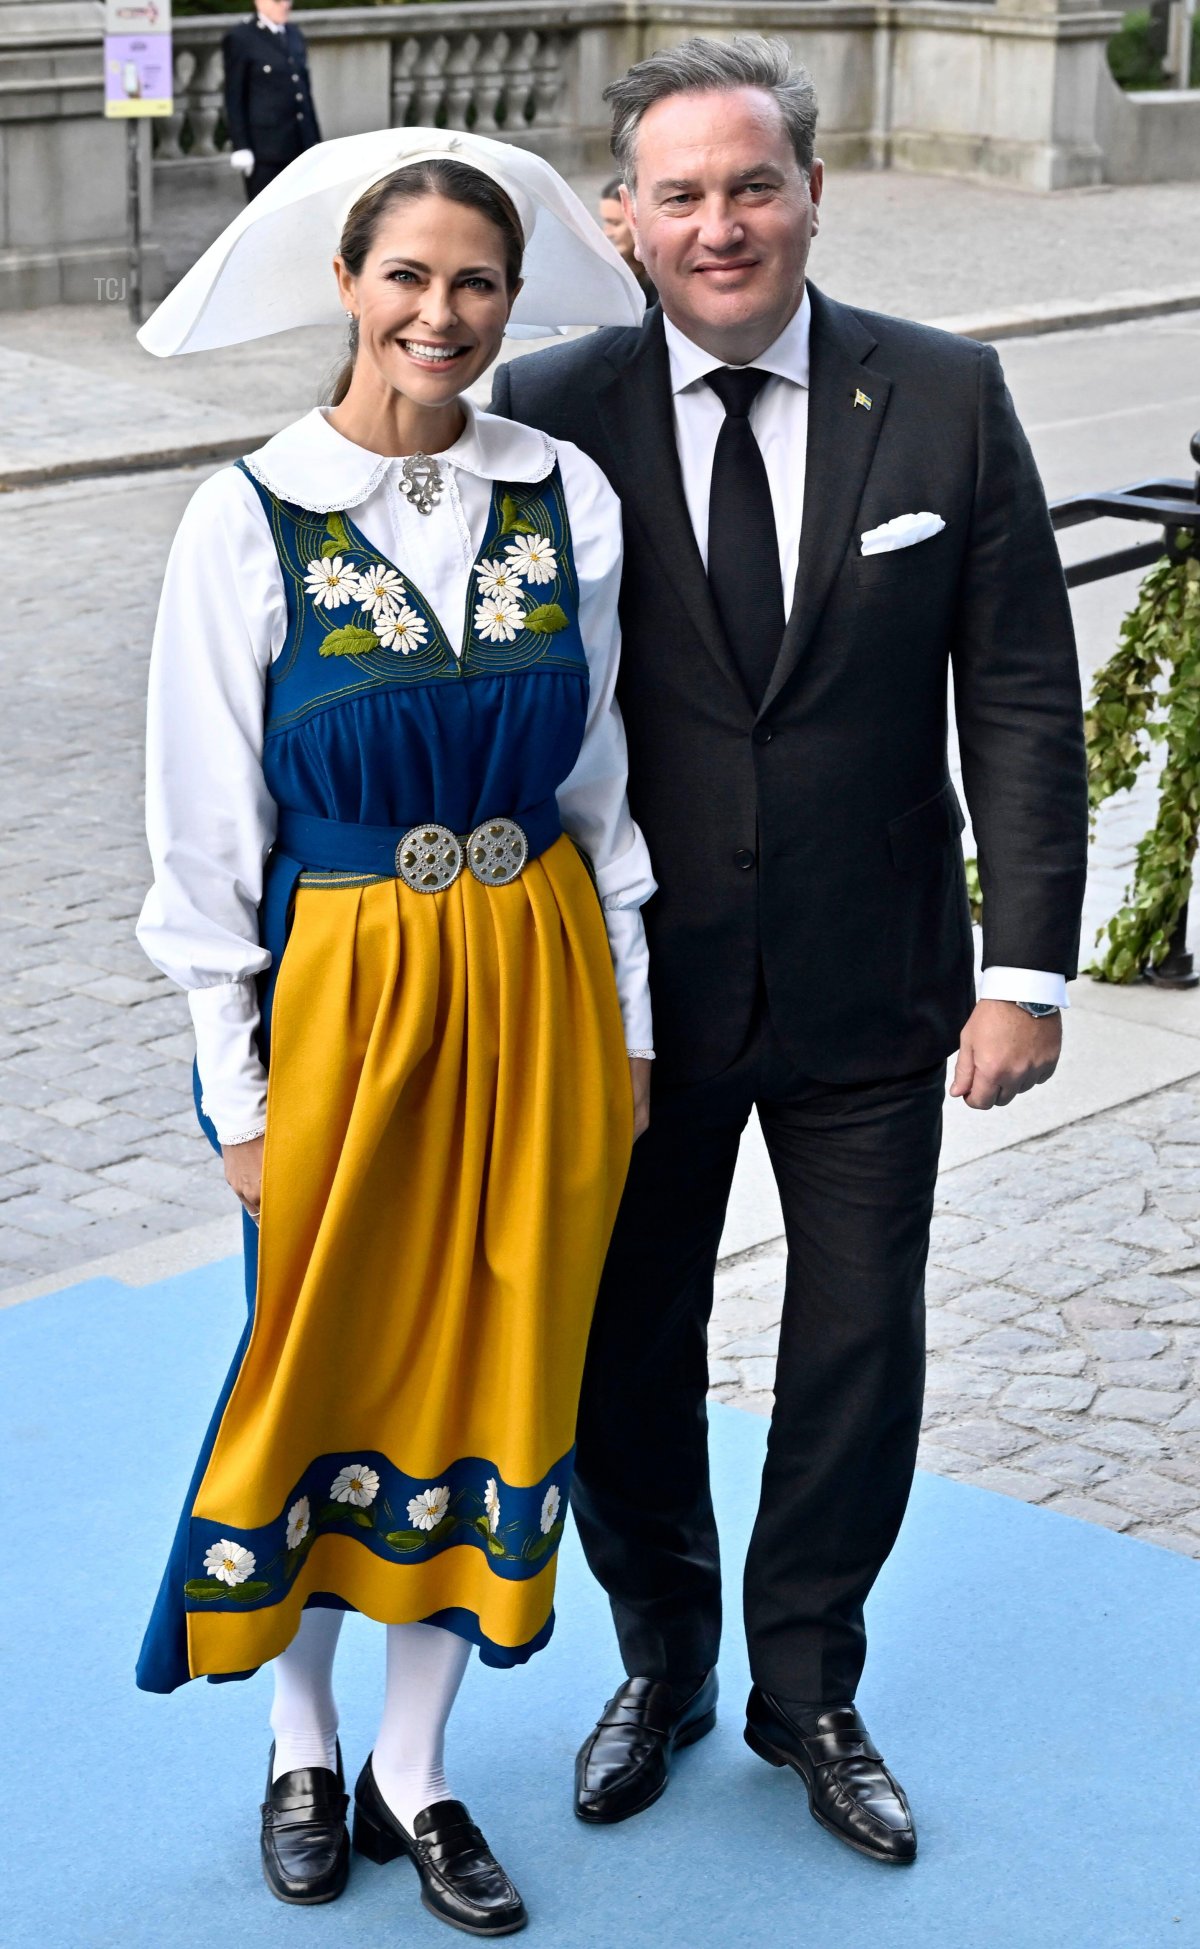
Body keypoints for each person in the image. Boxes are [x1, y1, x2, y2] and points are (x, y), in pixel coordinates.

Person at [491, 36, 1088, 1864]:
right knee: (622, 1349)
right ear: (625, 219)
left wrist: (1026, 970)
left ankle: (809, 1682)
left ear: (813, 192)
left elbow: (1018, 688)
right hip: (631, 999)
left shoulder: (946, 392)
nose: (721, 223)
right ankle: (661, 1658)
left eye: (752, 184)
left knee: (856, 1346)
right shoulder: (547, 408)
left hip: (873, 981)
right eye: (679, 193)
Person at [134, 128, 652, 1932]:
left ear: (511, 301)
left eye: (477, 282)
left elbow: (601, 781)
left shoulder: (566, 496)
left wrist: (630, 1029)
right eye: (410, 276)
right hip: (343, 998)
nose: (442, 312)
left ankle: (413, 1771)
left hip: (541, 980)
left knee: (501, 1361)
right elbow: (203, 843)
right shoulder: (249, 514)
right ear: (348, 284)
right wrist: (237, 1095)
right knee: (319, 1362)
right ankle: (300, 1739)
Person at [223, 0, 320, 202]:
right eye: (277, 1)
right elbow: (234, 96)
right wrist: (241, 146)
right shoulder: (242, 37)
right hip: (265, 151)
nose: (285, 5)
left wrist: (314, 139)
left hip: (299, 146)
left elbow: (304, 93)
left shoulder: (293, 33)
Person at [598, 174, 656, 303]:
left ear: (635, 220)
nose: (607, 233)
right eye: (606, 222)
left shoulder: (659, 285)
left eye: (615, 223)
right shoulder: (616, 274)